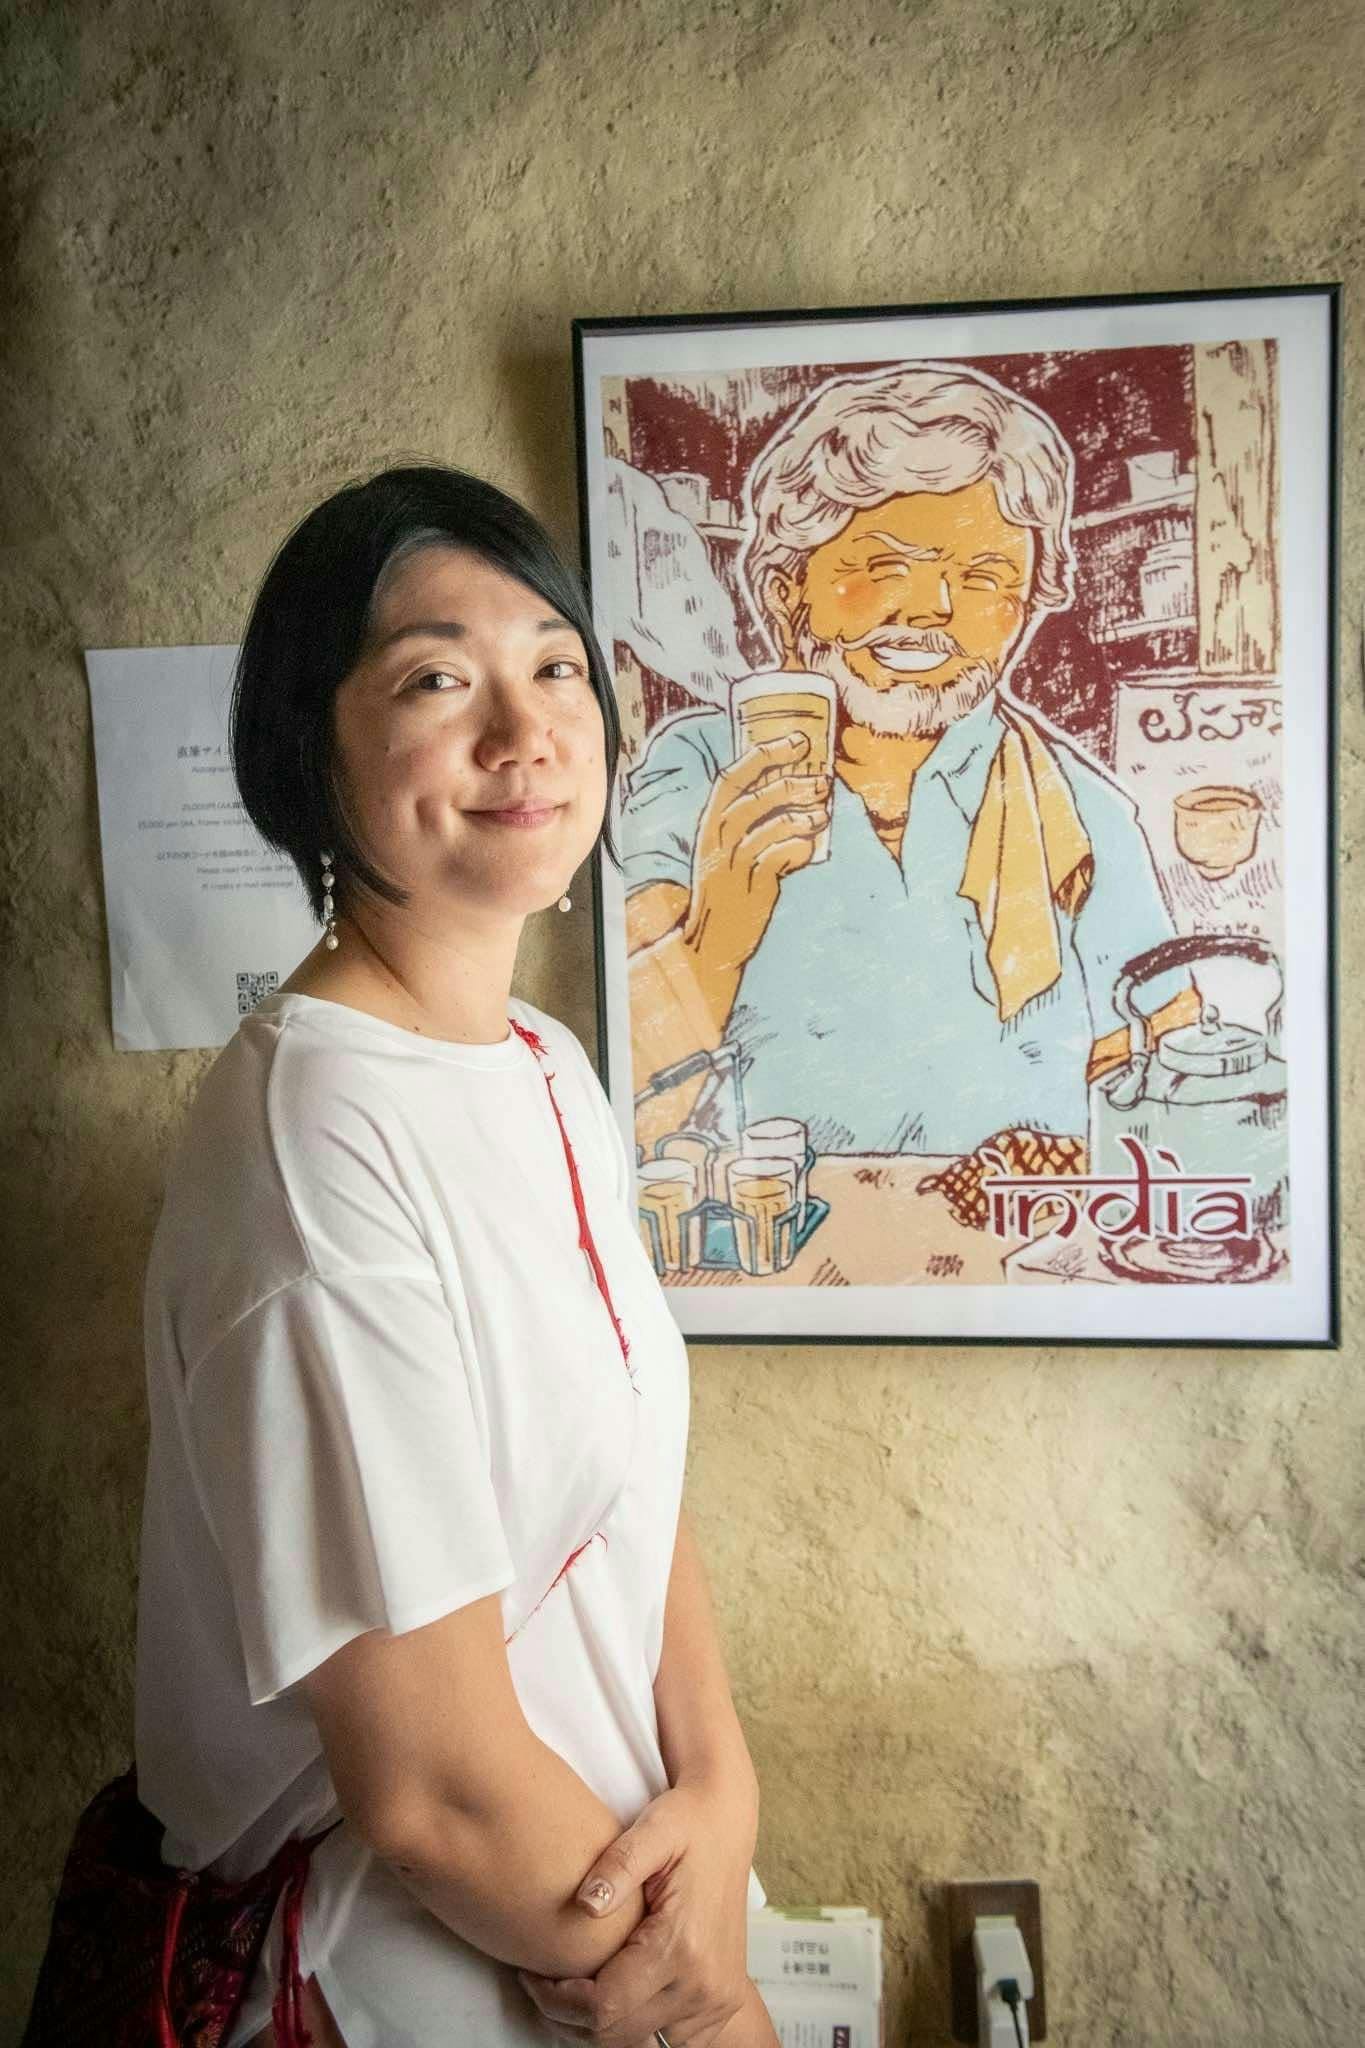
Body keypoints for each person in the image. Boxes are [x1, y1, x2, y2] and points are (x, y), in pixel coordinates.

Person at [133, 465, 778, 2048]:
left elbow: (628, 1479)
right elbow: (435, 1794)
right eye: (437, 681)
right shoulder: (316, 1134)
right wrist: (708, 2009)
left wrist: (723, 1790)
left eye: (556, 667)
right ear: (310, 749)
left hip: (614, 1925)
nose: (526, 732)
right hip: (407, 1975)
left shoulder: (546, 1065)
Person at [622, 363, 1198, 1159]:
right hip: (758, 1223)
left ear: (1026, 608)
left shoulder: (1082, 809)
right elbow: (616, 1070)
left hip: (1011, 1230)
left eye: (984, 577)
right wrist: (718, 926)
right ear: (786, 592)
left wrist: (1076, 1154)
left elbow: (1166, 1047)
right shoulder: (698, 768)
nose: (932, 609)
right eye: (885, 566)